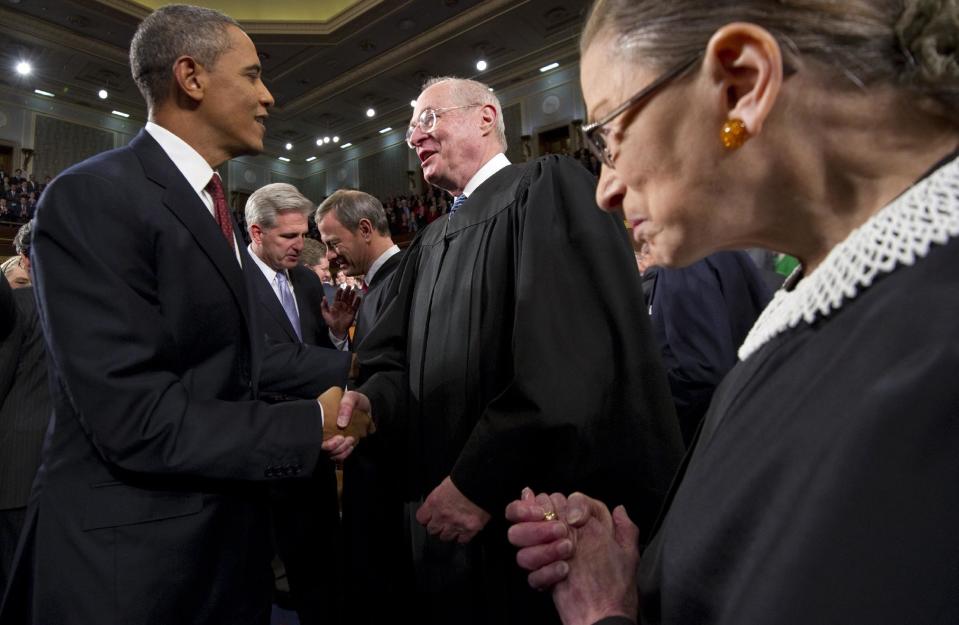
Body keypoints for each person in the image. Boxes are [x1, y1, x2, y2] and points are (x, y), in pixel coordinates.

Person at [506, 1, 959, 624]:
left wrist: (604, 616)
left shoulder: (929, 360)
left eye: (608, 135)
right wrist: (640, 579)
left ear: (741, 85)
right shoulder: (836, 308)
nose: (605, 189)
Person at [0, 6, 359, 624]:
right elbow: (135, 416)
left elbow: (248, 362)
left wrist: (364, 367)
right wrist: (308, 424)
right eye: (251, 75)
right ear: (191, 77)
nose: (269, 95)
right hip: (131, 570)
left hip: (215, 554)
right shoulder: (96, 194)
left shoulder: (208, 204)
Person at [338, 76, 683, 624]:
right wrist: (374, 402)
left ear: (485, 118)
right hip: (442, 528)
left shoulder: (547, 187)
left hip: (529, 526)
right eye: (410, 128)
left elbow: (571, 353)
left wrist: (479, 479)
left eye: (428, 120)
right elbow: (393, 356)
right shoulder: (427, 243)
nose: (413, 138)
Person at [243, 182, 356, 625]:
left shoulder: (308, 280)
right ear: (256, 232)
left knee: (321, 566)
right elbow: (260, 364)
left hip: (319, 449)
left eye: (303, 233)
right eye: (288, 236)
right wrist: (350, 365)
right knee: (271, 578)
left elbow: (313, 352)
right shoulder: (234, 282)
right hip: (266, 450)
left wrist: (335, 332)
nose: (300, 245)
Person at [316, 189, 406, 624]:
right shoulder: (374, 286)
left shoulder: (403, 277)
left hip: (391, 460)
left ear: (365, 229)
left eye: (333, 243)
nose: (330, 256)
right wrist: (340, 333)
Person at [640, 249, 771, 444]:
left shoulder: (684, 261)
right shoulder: (725, 249)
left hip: (703, 435)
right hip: (748, 424)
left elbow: (701, 373)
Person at [0, 221, 49, 594]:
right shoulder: (91, 305)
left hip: (13, 474)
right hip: (65, 473)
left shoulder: (20, 306)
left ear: (24, 259)